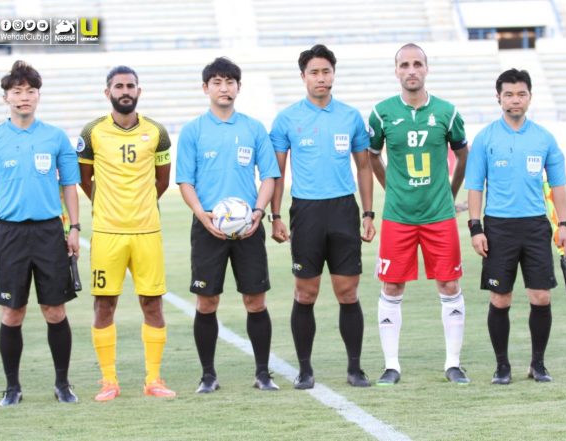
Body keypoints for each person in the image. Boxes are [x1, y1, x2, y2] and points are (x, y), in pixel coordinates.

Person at [0, 60, 80, 406]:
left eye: (30, 91)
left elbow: (69, 185)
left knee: (55, 311)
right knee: (12, 312)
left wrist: (74, 228)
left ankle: (62, 384)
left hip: (49, 232)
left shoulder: (55, 137)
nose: (24, 97)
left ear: (38, 96)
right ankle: (12, 388)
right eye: (17, 91)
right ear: (6, 97)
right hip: (10, 235)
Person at [269, 44, 376, 389]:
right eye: (314, 72)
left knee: (348, 292)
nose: (321, 78)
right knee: (306, 293)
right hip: (307, 211)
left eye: (326, 71)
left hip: (344, 209)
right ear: (303, 76)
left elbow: (364, 167)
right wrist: (275, 215)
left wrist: (368, 213)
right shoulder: (287, 119)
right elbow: (277, 173)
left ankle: (355, 369)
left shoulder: (350, 116)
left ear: (333, 74)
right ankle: (305, 369)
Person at [176, 57, 281, 393]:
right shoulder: (193, 131)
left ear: (238, 87)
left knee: (256, 301)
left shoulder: (253, 129)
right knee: (206, 302)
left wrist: (259, 211)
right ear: (205, 88)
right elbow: (185, 181)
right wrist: (201, 214)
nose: (224, 88)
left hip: (248, 227)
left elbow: (269, 176)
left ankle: (263, 374)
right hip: (208, 226)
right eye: (217, 83)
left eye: (230, 82)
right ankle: (208, 376)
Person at [367, 43, 470, 385]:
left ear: (426, 68)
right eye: (404, 65)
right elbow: (372, 156)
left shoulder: (447, 112)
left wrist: (450, 193)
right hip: (398, 216)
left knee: (449, 283)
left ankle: (453, 363)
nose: (411, 70)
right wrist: (391, 189)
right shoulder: (381, 113)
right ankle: (391, 366)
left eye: (417, 64)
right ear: (396, 71)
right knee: (392, 284)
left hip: (439, 215)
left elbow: (463, 155)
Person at [78, 66, 175, 401]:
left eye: (130, 86)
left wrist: (140, 206)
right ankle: (109, 381)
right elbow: (84, 179)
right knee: (104, 304)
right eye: (118, 86)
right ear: (108, 92)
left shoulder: (157, 132)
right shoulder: (92, 131)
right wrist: (109, 206)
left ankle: (153, 379)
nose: (125, 91)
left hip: (147, 232)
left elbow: (163, 180)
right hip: (107, 233)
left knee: (153, 303)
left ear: (138, 91)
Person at [465, 68, 566, 385]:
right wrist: (475, 228)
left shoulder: (544, 138)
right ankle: (502, 366)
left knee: (541, 297)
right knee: (500, 299)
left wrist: (563, 224)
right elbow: (474, 186)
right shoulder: (485, 138)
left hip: (536, 226)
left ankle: (538, 364)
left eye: (521, 94)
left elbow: (558, 184)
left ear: (530, 97)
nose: (515, 99)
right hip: (498, 227)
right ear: (498, 98)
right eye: (508, 94)